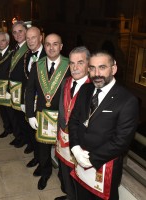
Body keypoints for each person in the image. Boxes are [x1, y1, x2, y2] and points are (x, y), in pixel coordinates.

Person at [69, 51, 139, 200]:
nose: (96, 73)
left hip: (105, 165)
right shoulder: (85, 89)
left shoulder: (127, 100)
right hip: (80, 159)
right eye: (92, 68)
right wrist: (75, 147)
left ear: (113, 69)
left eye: (102, 67)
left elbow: (121, 141)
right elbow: (74, 120)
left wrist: (90, 159)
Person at [25, 33, 70, 190]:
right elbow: (29, 91)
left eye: (55, 44)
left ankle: (64, 181)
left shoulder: (69, 66)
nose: (51, 47)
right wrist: (30, 114)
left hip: (63, 118)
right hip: (42, 116)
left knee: (63, 152)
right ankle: (45, 173)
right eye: (48, 44)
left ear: (61, 46)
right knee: (43, 150)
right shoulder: (37, 65)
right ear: (44, 46)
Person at [55, 46, 91, 200]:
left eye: (80, 63)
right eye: (71, 63)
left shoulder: (94, 87)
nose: (75, 67)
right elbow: (61, 110)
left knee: (80, 179)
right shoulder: (65, 82)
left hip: (82, 143)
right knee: (65, 173)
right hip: (63, 139)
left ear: (89, 64)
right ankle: (69, 196)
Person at [24, 26, 47, 170]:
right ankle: (37, 158)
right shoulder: (27, 55)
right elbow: (26, 80)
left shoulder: (49, 54)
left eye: (33, 37)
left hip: (45, 103)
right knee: (32, 132)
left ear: (41, 38)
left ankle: (43, 164)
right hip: (31, 101)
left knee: (42, 136)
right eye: (28, 38)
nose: (30, 41)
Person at [8, 21, 29, 148]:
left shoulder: (28, 48)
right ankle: (20, 137)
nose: (18, 34)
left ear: (26, 31)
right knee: (17, 116)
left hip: (23, 89)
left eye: (20, 31)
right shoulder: (15, 47)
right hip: (14, 88)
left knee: (24, 117)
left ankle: (27, 141)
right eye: (15, 32)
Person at [0, 32, 14, 138]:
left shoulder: (12, 53)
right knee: (2, 111)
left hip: (7, 87)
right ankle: (7, 129)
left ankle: (16, 133)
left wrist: (9, 87)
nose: (1, 43)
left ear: (7, 41)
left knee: (10, 112)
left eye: (3, 40)